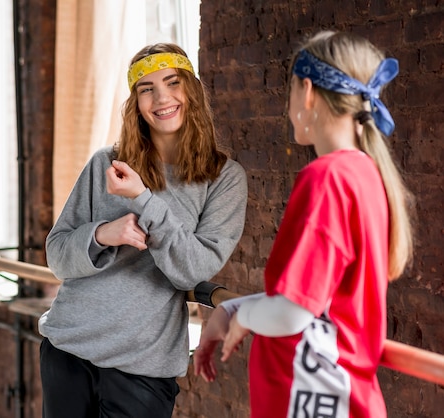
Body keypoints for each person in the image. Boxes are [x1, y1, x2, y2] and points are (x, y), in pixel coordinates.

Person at [193, 31, 414, 418]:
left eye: (290, 91)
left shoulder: (326, 178)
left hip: (311, 401)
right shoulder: (364, 174)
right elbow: (318, 301)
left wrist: (242, 317)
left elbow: (293, 313)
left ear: (307, 92)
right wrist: (229, 311)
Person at [38, 43, 248, 417]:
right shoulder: (107, 163)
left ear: (192, 90)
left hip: (142, 365)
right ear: (136, 103)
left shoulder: (223, 178)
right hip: (68, 347)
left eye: (172, 82)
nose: (161, 97)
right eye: (146, 88)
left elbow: (192, 270)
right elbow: (57, 255)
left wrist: (142, 199)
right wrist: (104, 233)